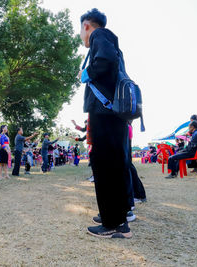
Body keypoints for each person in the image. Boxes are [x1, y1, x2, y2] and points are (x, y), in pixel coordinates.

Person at [78, 8, 132, 238]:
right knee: (115, 166)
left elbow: (106, 60)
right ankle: (117, 218)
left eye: (81, 29)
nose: (81, 34)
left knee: (104, 167)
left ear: (87, 26)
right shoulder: (110, 39)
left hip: (104, 112)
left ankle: (111, 223)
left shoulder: (100, 35)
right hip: (114, 113)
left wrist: (87, 72)